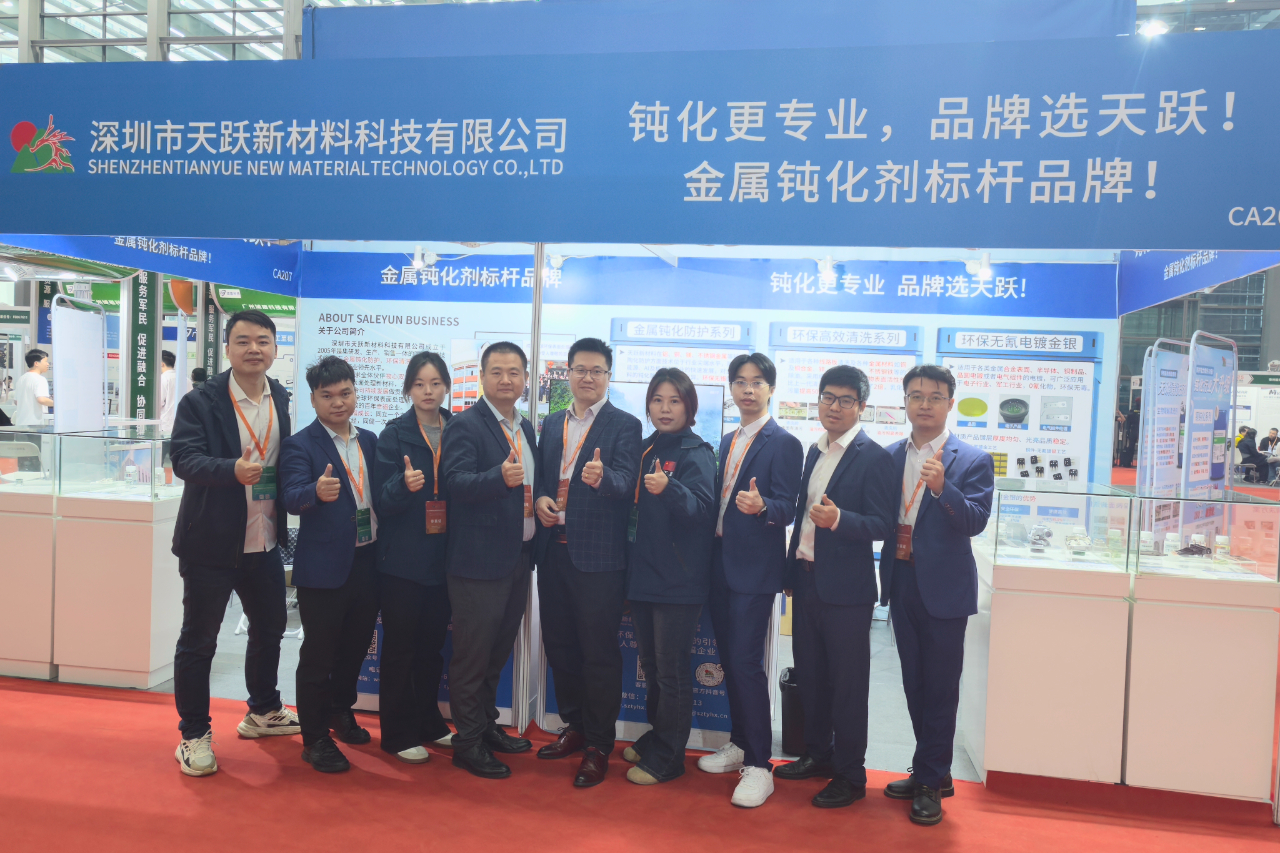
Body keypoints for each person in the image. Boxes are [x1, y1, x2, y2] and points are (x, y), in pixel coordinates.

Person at [169, 310, 298, 777]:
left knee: (270, 628)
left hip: (263, 538)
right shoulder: (201, 401)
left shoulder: (279, 396)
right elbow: (183, 458)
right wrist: (231, 470)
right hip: (211, 542)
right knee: (200, 640)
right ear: (227, 348)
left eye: (263, 340)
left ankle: (263, 710)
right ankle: (193, 734)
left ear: (275, 348)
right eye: (243, 341)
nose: (253, 349)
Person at [876, 365, 994, 826]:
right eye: (916, 395)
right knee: (914, 683)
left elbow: (974, 521)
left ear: (950, 403)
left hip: (945, 588)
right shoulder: (889, 456)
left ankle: (929, 781)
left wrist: (943, 488)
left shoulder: (973, 459)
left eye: (934, 396)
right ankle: (933, 769)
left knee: (941, 687)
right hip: (901, 579)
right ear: (905, 401)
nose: (924, 404)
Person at [775, 363, 897, 807]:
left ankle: (850, 774)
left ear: (861, 406)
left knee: (847, 686)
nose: (835, 407)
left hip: (847, 592)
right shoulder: (815, 450)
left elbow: (882, 524)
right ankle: (818, 754)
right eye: (828, 397)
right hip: (807, 582)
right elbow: (801, 517)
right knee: (811, 677)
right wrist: (791, 572)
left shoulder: (874, 457)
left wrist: (840, 519)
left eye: (846, 400)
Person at [532, 337, 641, 787]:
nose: (588, 377)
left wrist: (603, 478)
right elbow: (542, 478)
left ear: (608, 376)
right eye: (580, 369)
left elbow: (628, 483)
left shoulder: (625, 425)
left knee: (598, 654)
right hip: (552, 552)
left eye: (597, 370)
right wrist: (541, 499)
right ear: (568, 373)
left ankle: (598, 744)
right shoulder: (552, 422)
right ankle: (574, 726)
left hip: (598, 559)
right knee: (560, 646)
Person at [700, 353, 803, 808]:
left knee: (745, 663)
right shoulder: (727, 440)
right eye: (740, 381)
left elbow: (788, 507)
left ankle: (761, 764)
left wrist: (763, 507)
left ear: (771, 389)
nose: (747, 389)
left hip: (755, 571)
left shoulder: (784, 443)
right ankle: (740, 742)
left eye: (757, 382)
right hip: (719, 564)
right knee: (729, 659)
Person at [441, 341, 539, 779]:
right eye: (496, 371)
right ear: (482, 377)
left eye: (514, 372)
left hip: (518, 557)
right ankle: (466, 743)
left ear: (525, 379)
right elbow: (454, 482)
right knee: (472, 657)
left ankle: (484, 726)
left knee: (496, 653)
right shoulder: (466, 425)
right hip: (477, 564)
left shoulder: (525, 427)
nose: (506, 380)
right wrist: (497, 478)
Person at [281, 356, 381, 773]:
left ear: (355, 392)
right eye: (328, 396)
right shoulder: (300, 444)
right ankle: (315, 737)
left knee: (355, 648)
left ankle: (341, 710)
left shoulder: (369, 440)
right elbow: (290, 497)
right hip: (323, 568)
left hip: (368, 561)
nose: (338, 402)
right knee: (319, 655)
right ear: (313, 399)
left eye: (345, 393)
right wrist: (314, 492)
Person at [623, 368, 717, 787]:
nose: (665, 408)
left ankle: (669, 756)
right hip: (642, 574)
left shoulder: (697, 452)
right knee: (651, 666)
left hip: (679, 580)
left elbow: (702, 510)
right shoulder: (645, 449)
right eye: (658, 400)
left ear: (689, 406)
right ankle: (659, 735)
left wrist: (670, 487)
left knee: (671, 670)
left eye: (674, 401)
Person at [374, 351, 454, 765]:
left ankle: (429, 721)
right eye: (420, 384)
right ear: (408, 388)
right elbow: (381, 502)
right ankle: (397, 732)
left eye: (436, 383)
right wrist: (403, 486)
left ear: (447, 387)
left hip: (444, 560)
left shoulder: (458, 430)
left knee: (431, 649)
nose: (428, 391)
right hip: (402, 562)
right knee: (400, 649)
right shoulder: (394, 434)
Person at [14, 348, 53, 427]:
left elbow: (16, 401)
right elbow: (42, 399)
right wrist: (57, 404)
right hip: (35, 425)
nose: (47, 364)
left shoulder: (21, 379)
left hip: (20, 424)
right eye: (45, 361)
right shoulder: (40, 379)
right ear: (36, 363)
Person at [159, 350, 178, 433]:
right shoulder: (186, 380)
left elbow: (158, 403)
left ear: (162, 364)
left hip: (166, 425)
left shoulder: (162, 379)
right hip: (183, 424)